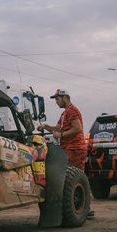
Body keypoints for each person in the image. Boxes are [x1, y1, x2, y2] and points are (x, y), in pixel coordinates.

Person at [37, 89, 94, 218]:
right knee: (70, 179)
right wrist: (46, 127)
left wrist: (61, 135)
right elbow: (57, 129)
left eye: (57, 99)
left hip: (75, 149)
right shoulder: (64, 114)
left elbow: (78, 128)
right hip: (69, 149)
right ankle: (82, 208)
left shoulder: (72, 111)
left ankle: (85, 209)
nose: (56, 102)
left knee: (74, 179)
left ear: (65, 97)